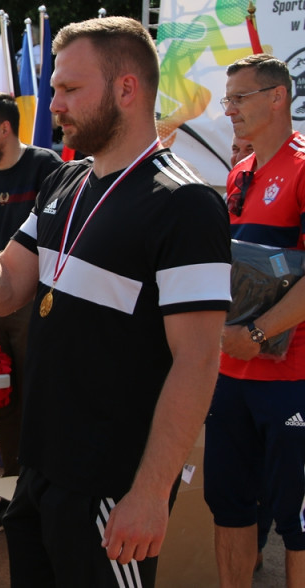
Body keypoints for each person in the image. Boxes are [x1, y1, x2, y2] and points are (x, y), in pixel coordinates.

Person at [0, 17, 231, 587]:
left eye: (69, 89)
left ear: (126, 89)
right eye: (55, 88)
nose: (54, 104)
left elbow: (197, 360)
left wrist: (149, 492)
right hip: (43, 471)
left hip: (113, 486)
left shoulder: (185, 203)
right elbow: (6, 285)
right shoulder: (65, 183)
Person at [206, 53, 305, 588]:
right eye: (227, 100)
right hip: (231, 375)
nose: (230, 111)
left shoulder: (304, 165)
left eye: (239, 98)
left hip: (293, 379)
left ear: (277, 96)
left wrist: (259, 334)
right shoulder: (240, 172)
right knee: (229, 507)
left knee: (297, 522)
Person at [0, 91, 63, 534]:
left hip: (34, 307)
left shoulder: (49, 168)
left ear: (6, 127)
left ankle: (41, 499)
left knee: (41, 402)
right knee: (3, 407)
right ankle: (12, 498)